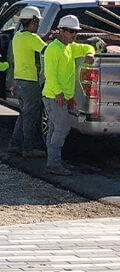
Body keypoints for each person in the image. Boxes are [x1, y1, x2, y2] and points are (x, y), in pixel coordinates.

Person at [41, 15, 95, 176]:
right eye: (71, 31)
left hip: (60, 96)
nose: (74, 35)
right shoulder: (53, 49)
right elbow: (50, 75)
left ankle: (53, 162)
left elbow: (86, 48)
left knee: (53, 128)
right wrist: (58, 93)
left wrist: (91, 53)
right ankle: (54, 164)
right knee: (62, 128)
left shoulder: (70, 47)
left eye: (75, 32)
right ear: (61, 31)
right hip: (54, 96)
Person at [8, 6, 48, 157]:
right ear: (32, 21)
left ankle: (14, 144)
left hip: (18, 81)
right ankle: (28, 148)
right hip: (30, 82)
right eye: (37, 22)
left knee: (24, 114)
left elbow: (34, 44)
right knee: (31, 117)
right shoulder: (32, 38)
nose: (38, 25)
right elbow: (46, 51)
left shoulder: (18, 36)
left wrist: (44, 38)